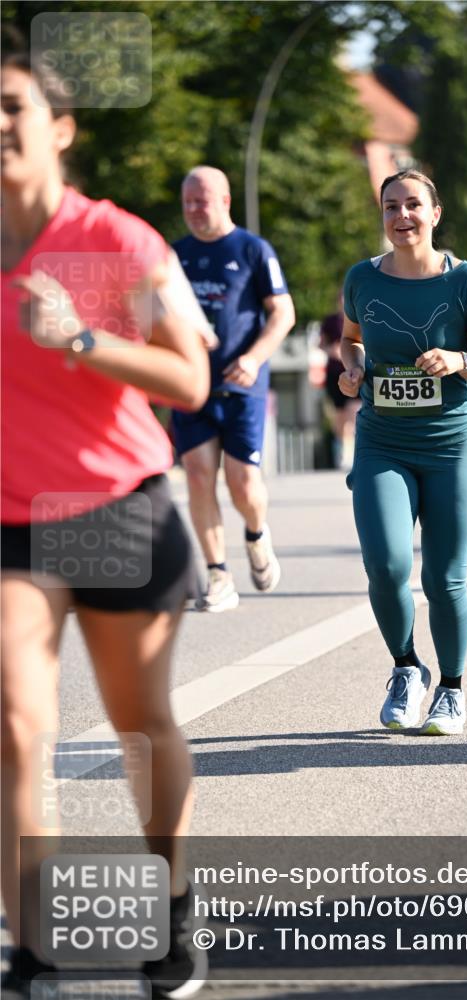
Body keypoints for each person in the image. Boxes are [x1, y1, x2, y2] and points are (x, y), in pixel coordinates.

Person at [1, 50, 212, 997]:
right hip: (12, 522)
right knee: (15, 728)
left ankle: (172, 910)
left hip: (118, 505)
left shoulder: (117, 241)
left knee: (140, 723)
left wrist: (82, 340)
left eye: (11, 106)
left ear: (60, 127)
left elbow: (189, 378)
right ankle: (35, 951)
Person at [339, 170, 467, 736]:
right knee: (386, 567)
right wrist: (354, 368)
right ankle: (407, 668)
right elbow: (350, 338)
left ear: (435, 213)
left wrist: (459, 360)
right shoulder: (362, 278)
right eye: (391, 206)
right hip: (382, 440)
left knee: (444, 578)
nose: (401, 215)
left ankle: (452, 691)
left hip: (451, 444)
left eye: (413, 205)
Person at [172, 167, 295, 611]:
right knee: (198, 474)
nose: (193, 210)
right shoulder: (174, 255)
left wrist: (254, 358)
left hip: (242, 385)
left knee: (242, 483)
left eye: (201, 201)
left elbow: (283, 312)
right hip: (191, 385)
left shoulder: (252, 249)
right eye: (187, 202)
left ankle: (257, 534)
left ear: (224, 201)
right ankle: (218, 574)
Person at [319, 293, 361, 469]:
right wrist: (332, 350)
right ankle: (342, 449)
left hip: (355, 372)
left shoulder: (359, 318)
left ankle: (352, 452)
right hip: (334, 373)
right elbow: (321, 344)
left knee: (354, 413)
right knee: (340, 417)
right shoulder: (330, 321)